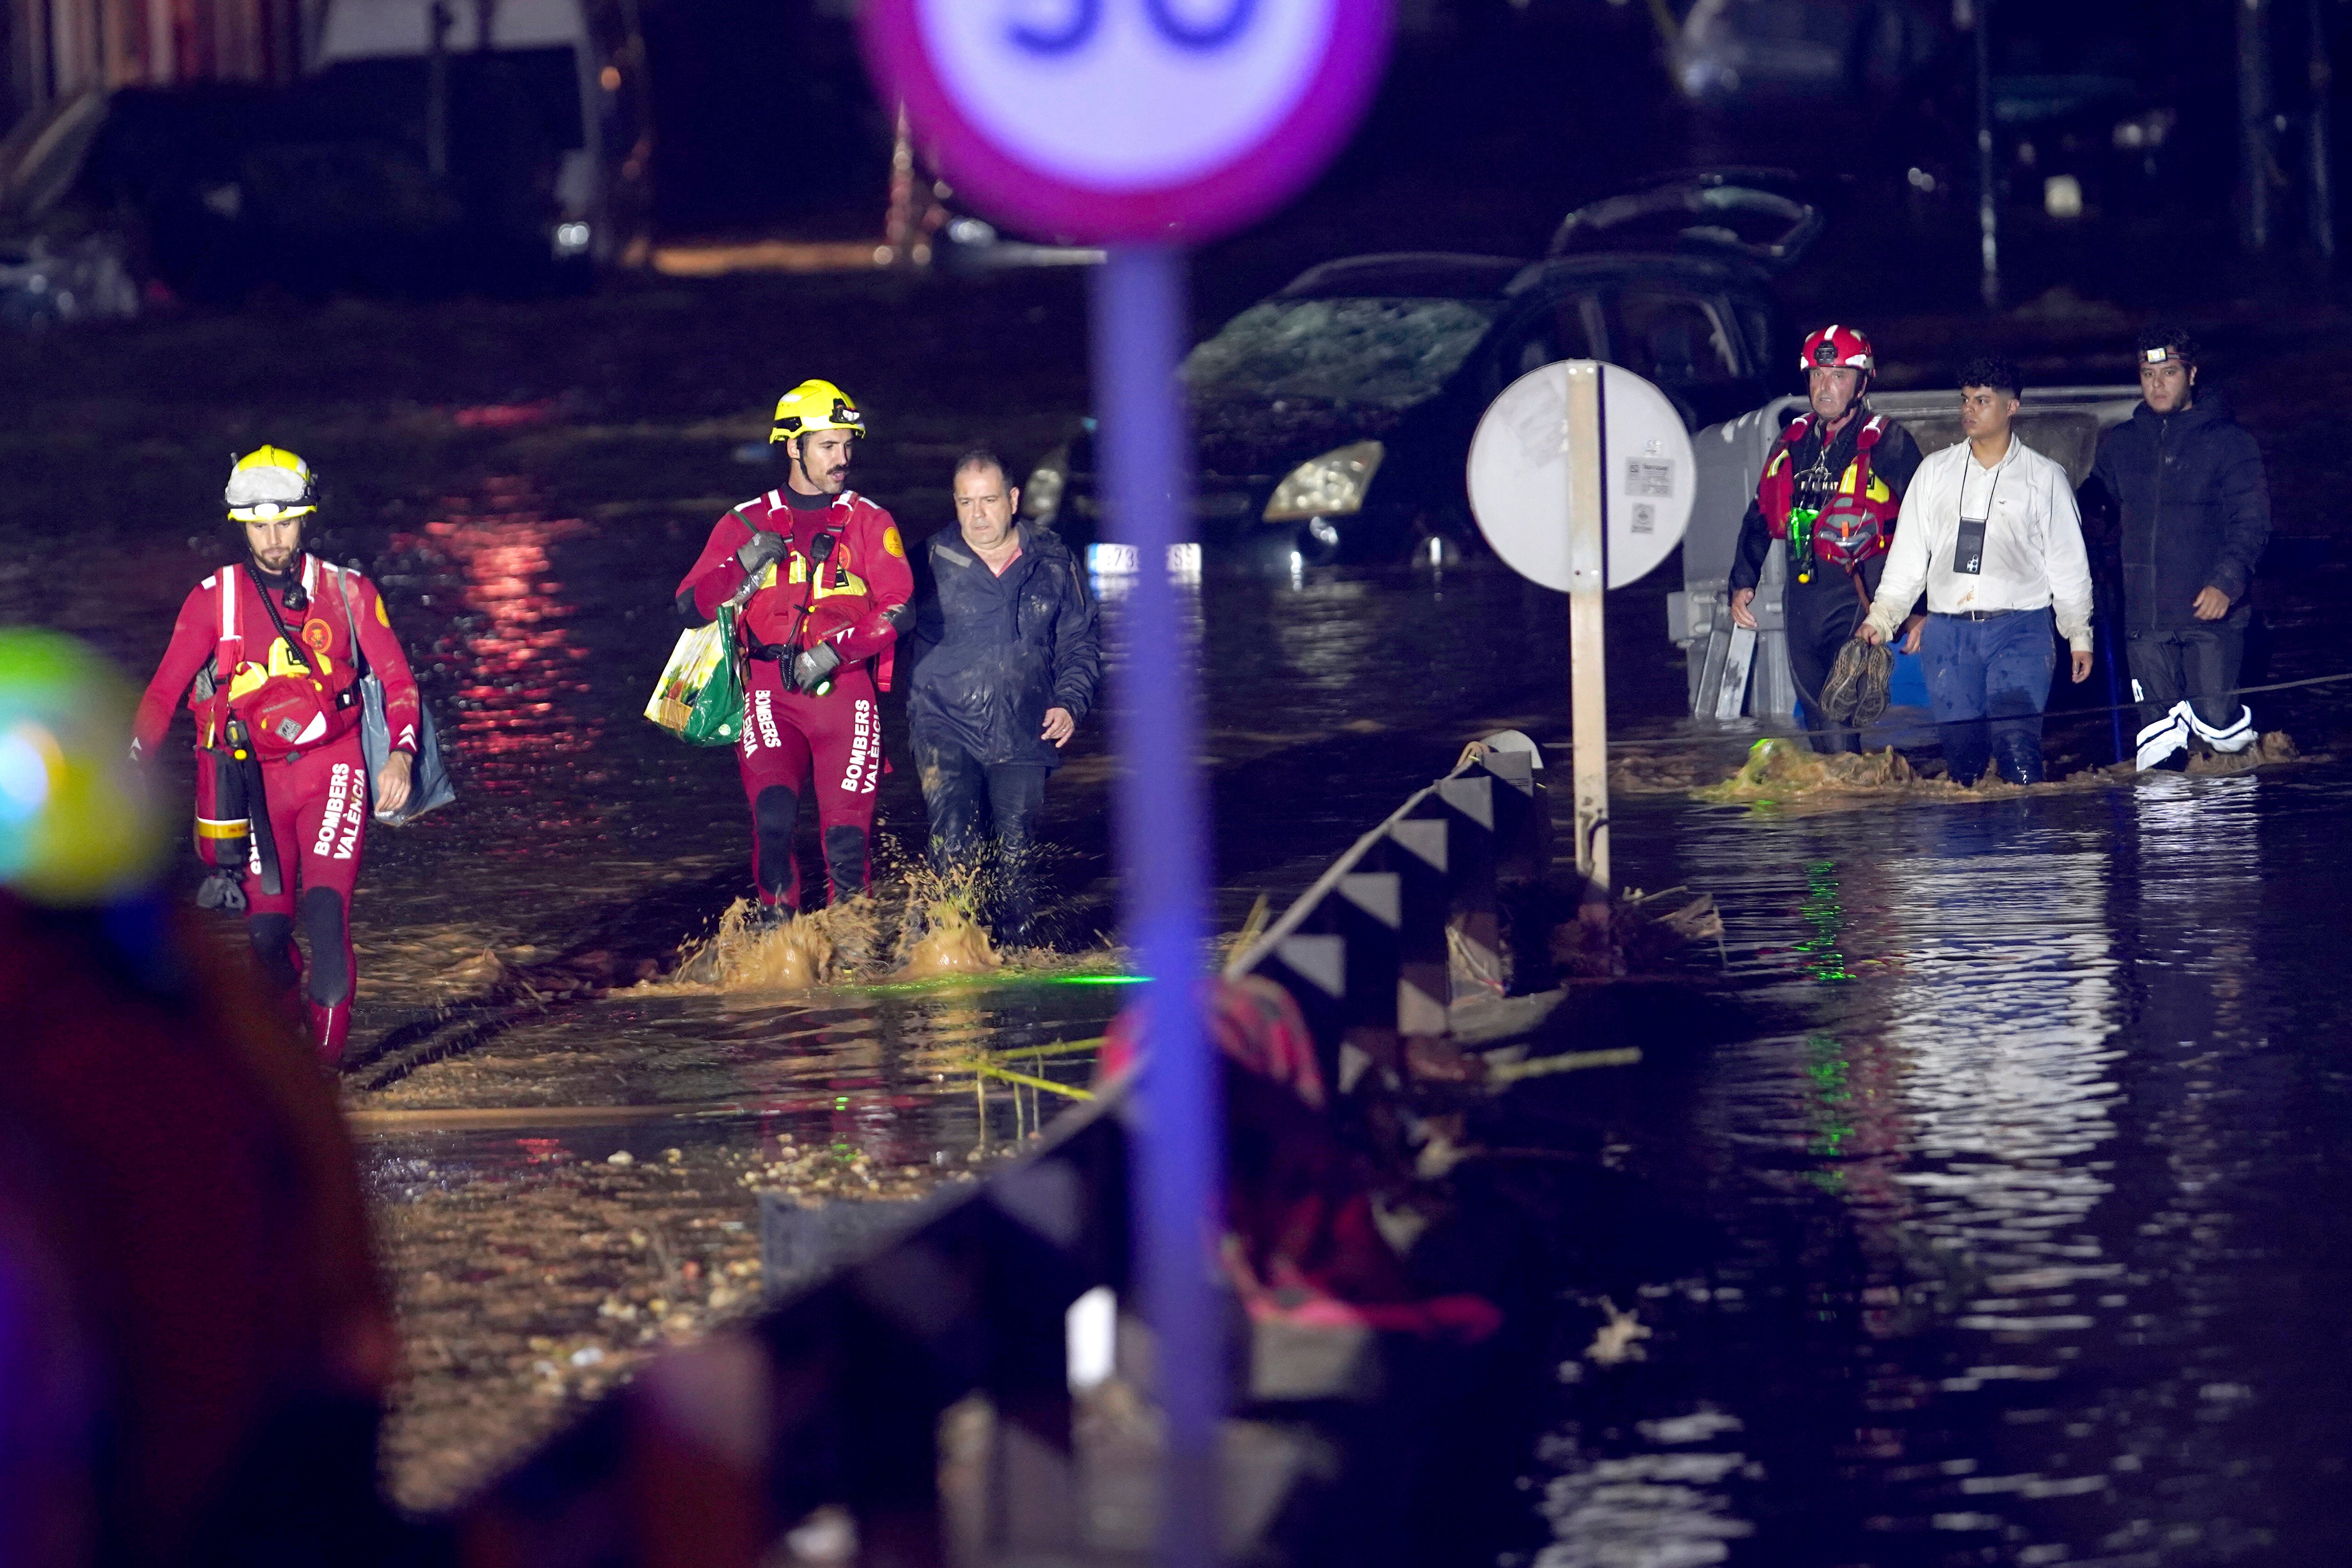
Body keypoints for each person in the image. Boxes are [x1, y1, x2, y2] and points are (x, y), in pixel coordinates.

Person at [132, 446, 422, 1064]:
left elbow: (398, 681)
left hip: (335, 769)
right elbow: (162, 694)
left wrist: (399, 756)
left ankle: (324, 1078)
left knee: (324, 915)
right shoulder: (213, 599)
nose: (272, 538)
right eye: (259, 524)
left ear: (306, 519)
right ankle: (288, 1043)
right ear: (241, 524)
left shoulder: (349, 592)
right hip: (250, 784)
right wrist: (128, 768)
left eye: (285, 522)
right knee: (265, 934)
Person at [675, 380, 914, 921]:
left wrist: (834, 654)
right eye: (828, 446)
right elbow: (688, 607)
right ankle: (780, 957)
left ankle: (853, 958)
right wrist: (740, 565)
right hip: (765, 696)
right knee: (774, 826)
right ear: (793, 446)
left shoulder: (872, 521)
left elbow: (902, 609)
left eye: (848, 446)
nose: (842, 459)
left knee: (847, 845)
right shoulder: (743, 522)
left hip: (846, 697)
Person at [1857, 356, 2095, 785]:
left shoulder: (2044, 478)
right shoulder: (1934, 473)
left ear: (2012, 407)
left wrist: (2079, 633)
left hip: (2021, 630)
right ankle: (1970, 850)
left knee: (2017, 746)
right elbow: (1908, 559)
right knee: (1963, 763)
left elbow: (2068, 563)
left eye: (1982, 401)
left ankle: (2025, 846)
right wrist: (1881, 618)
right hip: (1949, 636)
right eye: (1966, 400)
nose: (1969, 409)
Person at [905, 450, 1101, 947]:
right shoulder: (925, 561)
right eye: (965, 502)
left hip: (1025, 726)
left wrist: (1069, 701)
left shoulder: (1053, 559)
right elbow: (872, 623)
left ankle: (1014, 957)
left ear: (1013, 500)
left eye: (988, 500)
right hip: (943, 722)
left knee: (1016, 852)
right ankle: (946, 951)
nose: (977, 514)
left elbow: (1079, 640)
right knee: (955, 837)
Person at [1728, 324, 1926, 751]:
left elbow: (1926, 523)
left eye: (1837, 375)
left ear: (1861, 382)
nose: (1824, 387)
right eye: (1817, 375)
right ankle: (1844, 810)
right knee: (1818, 724)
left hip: (1858, 594)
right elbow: (1762, 512)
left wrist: (1916, 608)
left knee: (1838, 718)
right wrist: (1743, 581)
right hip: (1803, 597)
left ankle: (1856, 811)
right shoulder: (1792, 439)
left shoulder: (1888, 441)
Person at [2084, 325, 2271, 770]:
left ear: (2192, 374)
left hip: (2211, 621)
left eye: (2168, 373)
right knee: (2158, 749)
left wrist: (2226, 583)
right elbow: (2097, 509)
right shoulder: (2123, 444)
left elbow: (2253, 521)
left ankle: (2227, 835)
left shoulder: (2230, 443)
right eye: (2148, 374)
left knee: (2220, 742)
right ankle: (2170, 840)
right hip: (2145, 626)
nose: (2157, 384)